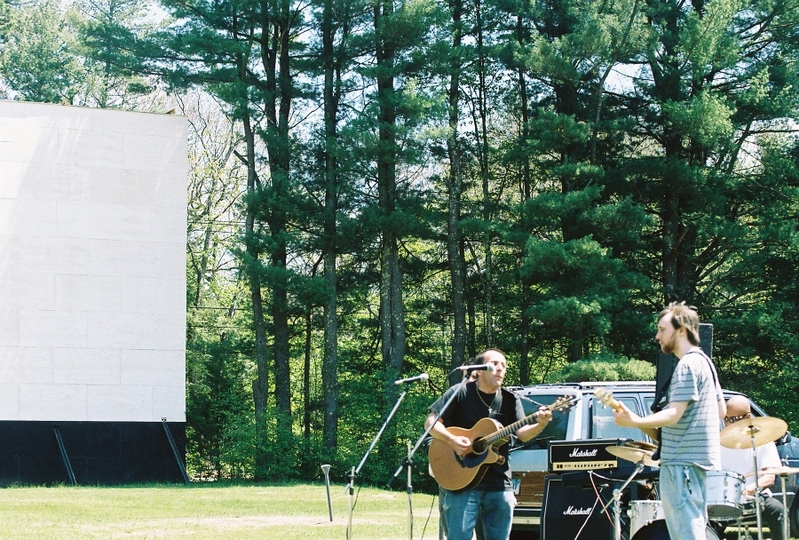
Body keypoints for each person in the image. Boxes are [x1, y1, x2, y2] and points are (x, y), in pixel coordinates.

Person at [613, 302, 726, 540]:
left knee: (686, 534)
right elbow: (721, 410)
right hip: (697, 462)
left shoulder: (686, 365)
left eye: (662, 329)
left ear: (681, 329)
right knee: (695, 529)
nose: (657, 336)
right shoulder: (705, 361)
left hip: (681, 464)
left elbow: (674, 414)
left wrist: (635, 420)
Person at [425, 348, 552, 540]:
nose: (500, 368)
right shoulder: (459, 393)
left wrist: (541, 424)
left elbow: (523, 435)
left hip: (499, 483)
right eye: (494, 364)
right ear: (480, 370)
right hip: (462, 481)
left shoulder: (510, 400)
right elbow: (431, 423)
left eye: (504, 365)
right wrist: (452, 440)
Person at [718, 395, 785, 540]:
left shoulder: (763, 440)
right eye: (726, 419)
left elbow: (769, 477)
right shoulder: (719, 442)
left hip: (757, 498)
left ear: (747, 417)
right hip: (726, 499)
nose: (729, 423)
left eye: (733, 419)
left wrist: (751, 488)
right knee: (708, 519)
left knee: (779, 511)